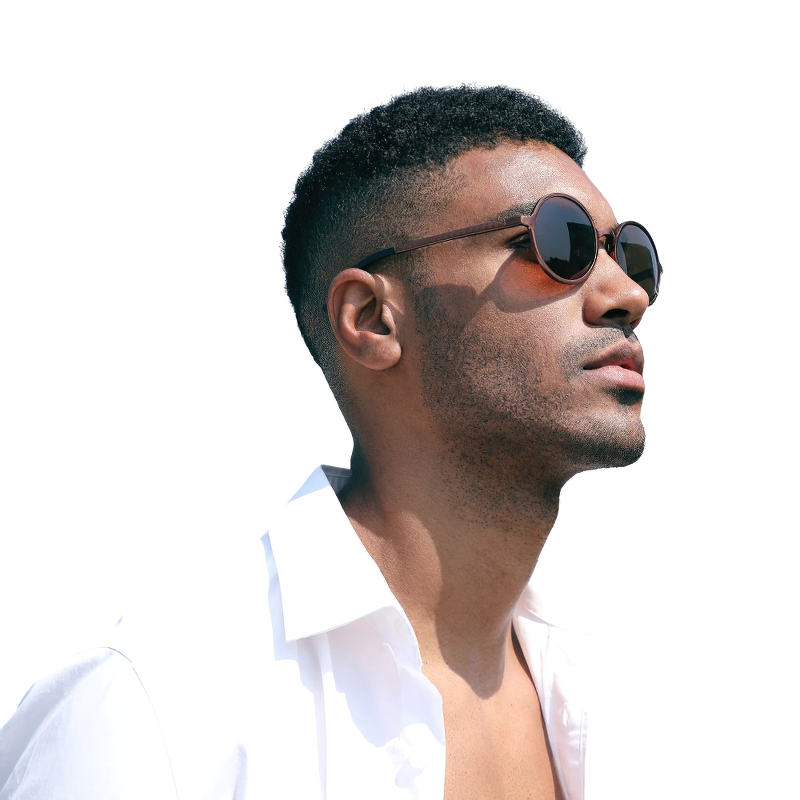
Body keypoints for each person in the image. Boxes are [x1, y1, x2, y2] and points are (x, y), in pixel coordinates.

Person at [0, 85, 661, 799]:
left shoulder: (623, 706)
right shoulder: (151, 708)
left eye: (628, 253)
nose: (628, 294)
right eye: (557, 242)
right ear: (373, 318)